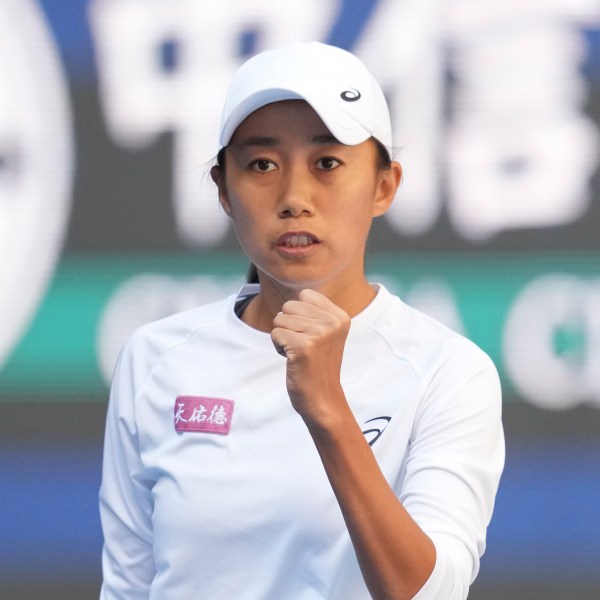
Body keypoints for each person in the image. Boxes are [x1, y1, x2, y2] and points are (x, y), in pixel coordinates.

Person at [99, 41, 504, 600]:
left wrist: (329, 411)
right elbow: (126, 587)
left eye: (328, 163)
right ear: (223, 189)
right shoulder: (155, 357)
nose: (294, 197)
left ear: (385, 185)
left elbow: (433, 593)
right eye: (261, 164)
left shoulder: (449, 372)